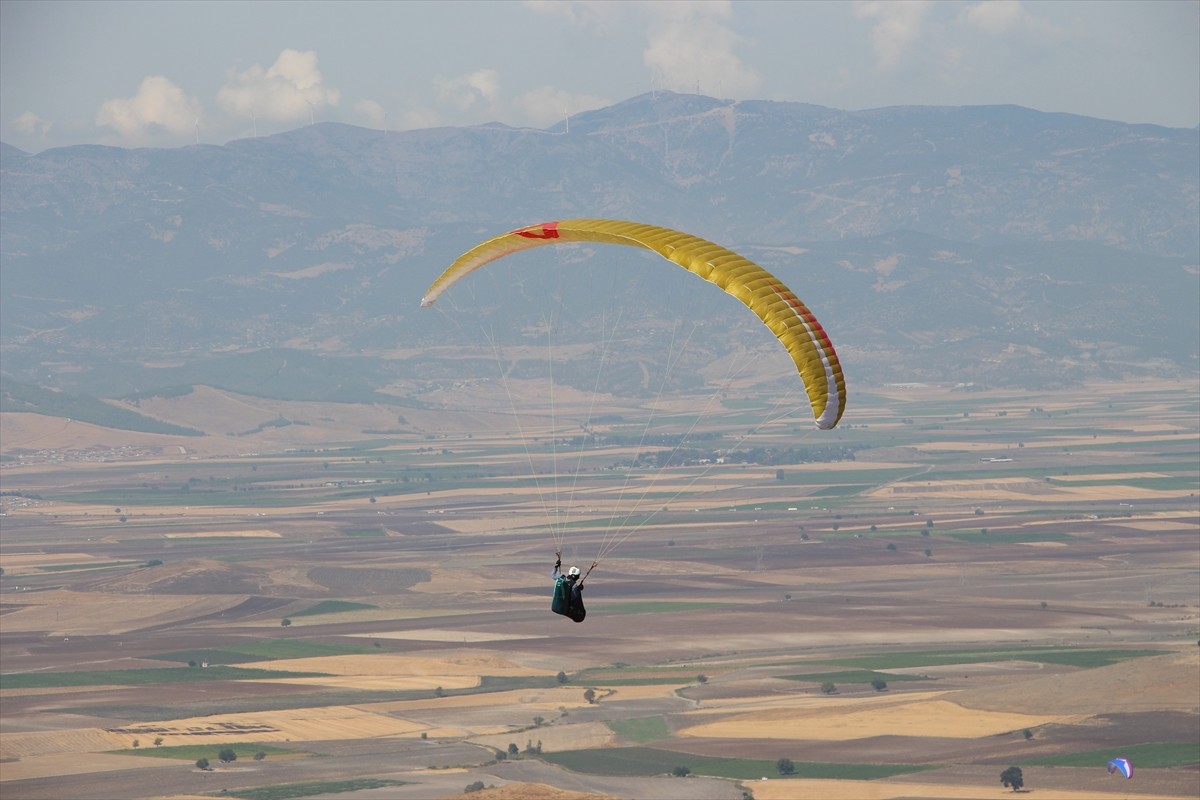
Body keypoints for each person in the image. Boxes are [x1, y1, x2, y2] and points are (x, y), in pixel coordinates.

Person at [552, 551, 587, 623]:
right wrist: (579, 589)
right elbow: (573, 597)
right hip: (567, 607)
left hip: (557, 606)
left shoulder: (561, 578)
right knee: (580, 616)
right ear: (577, 576)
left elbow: (553, 575)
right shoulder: (574, 586)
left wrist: (556, 567)